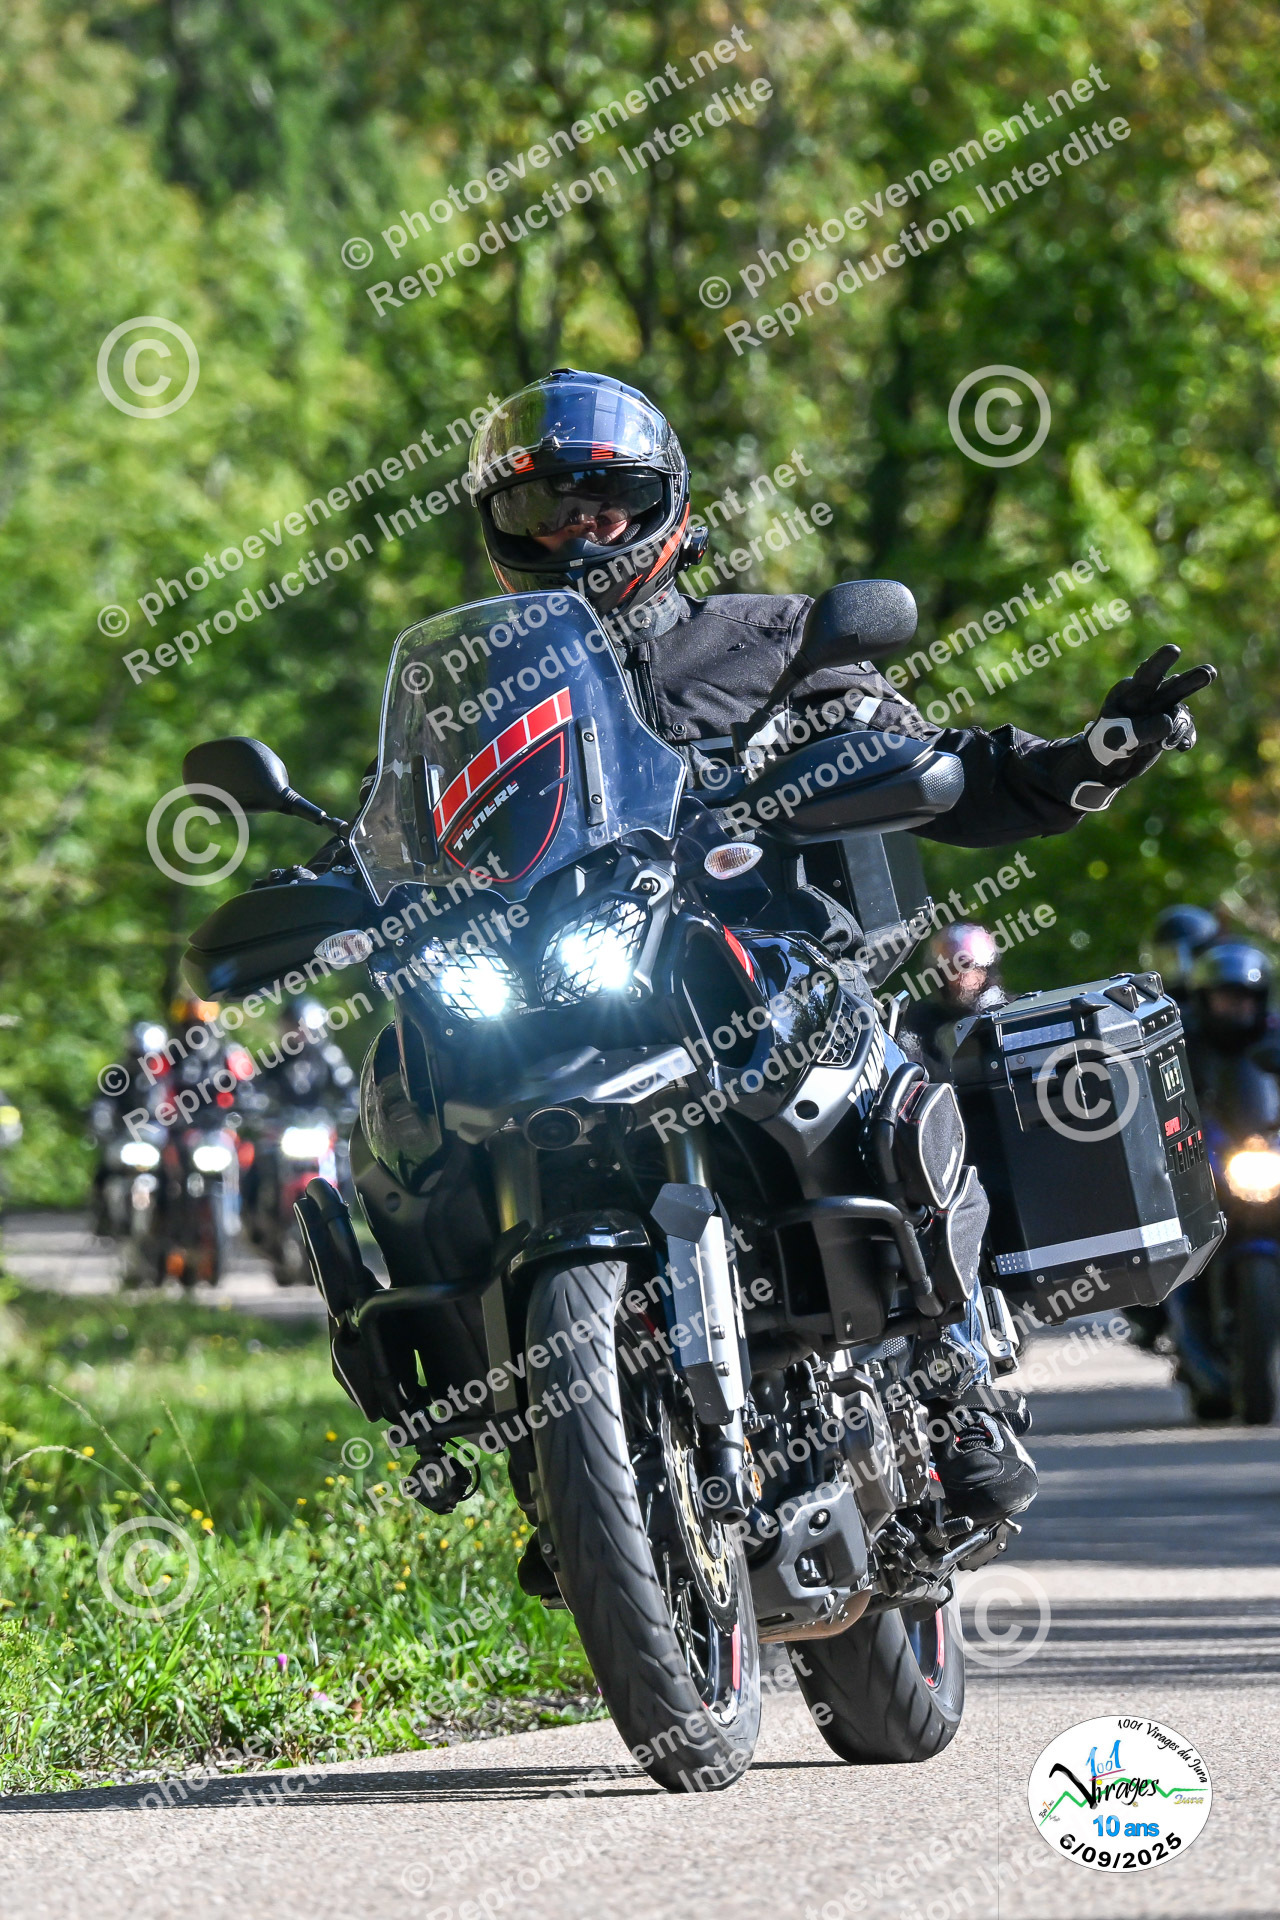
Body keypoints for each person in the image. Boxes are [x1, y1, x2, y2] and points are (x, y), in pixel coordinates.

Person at [467, 368, 1218, 1527]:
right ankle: (548, 1445)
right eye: (542, 511)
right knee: (430, 1102)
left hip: (770, 965)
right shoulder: (486, 696)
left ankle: (944, 1374)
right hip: (578, 996)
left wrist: (1086, 759)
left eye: (601, 504)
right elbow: (404, 823)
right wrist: (326, 879)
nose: (576, 534)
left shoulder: (771, 641)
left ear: (659, 506)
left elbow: (934, 760)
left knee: (863, 1070)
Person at [901, 921, 1006, 1081]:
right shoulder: (919, 1024)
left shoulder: (1008, 1013)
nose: (958, 977)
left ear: (984, 970)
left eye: (967, 967)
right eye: (950, 970)